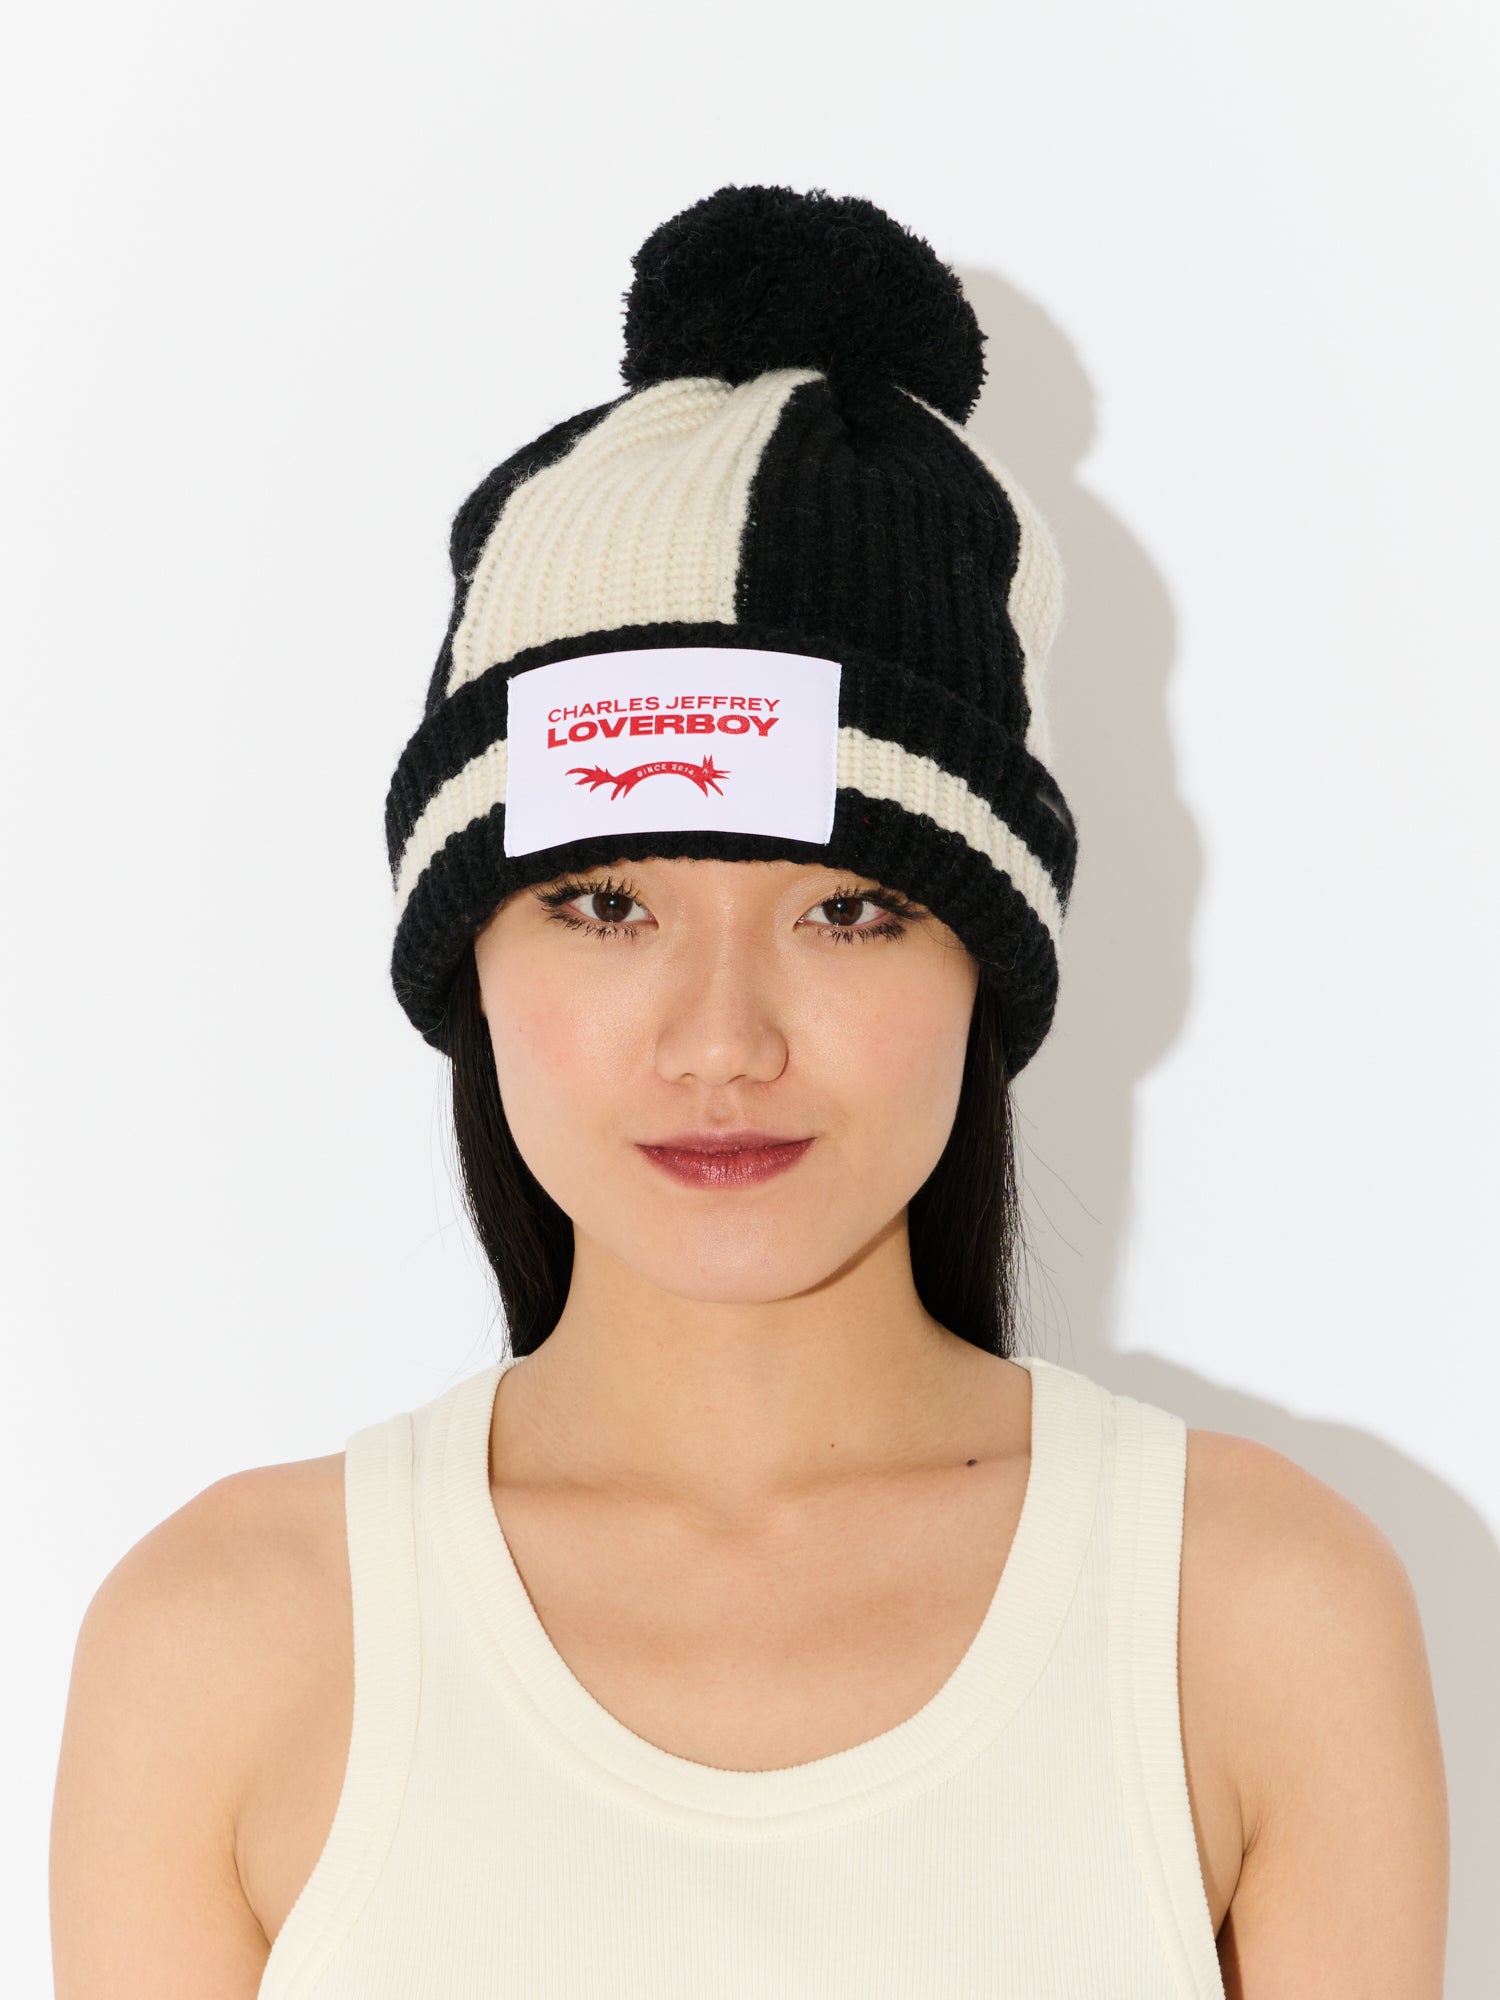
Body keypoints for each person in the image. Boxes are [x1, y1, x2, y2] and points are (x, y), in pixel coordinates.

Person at [50, 183, 1448, 1998]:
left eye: (848, 910)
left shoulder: (1258, 1615)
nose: (722, 1042)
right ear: (471, 959)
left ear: (985, 962)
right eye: (606, 905)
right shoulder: (220, 1650)